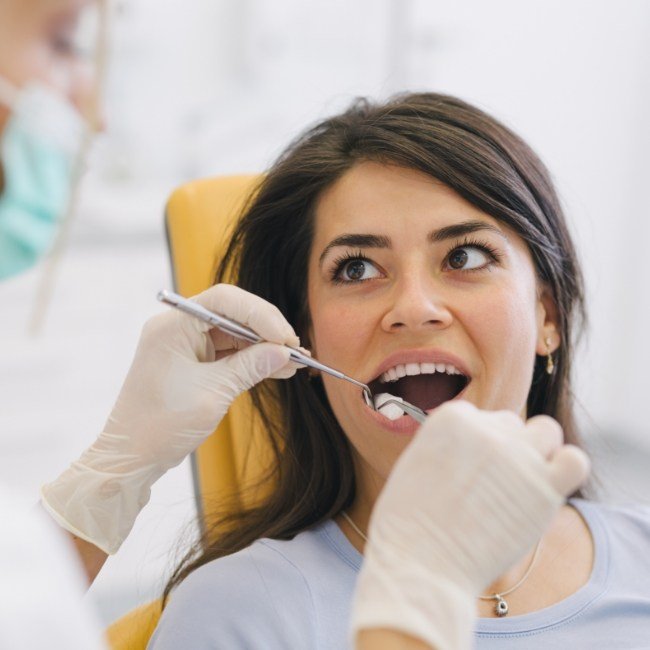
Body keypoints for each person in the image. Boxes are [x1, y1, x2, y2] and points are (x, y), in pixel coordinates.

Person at [41, 92, 648, 649]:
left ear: (547, 316)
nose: (413, 308)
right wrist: (110, 474)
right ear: (305, 340)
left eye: (463, 256)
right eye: (356, 269)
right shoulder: (237, 614)